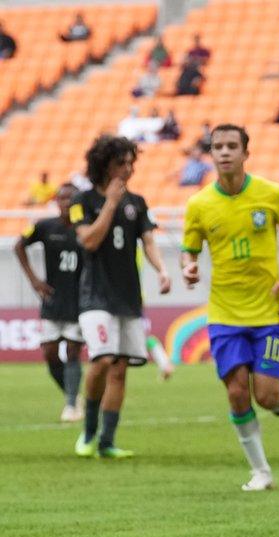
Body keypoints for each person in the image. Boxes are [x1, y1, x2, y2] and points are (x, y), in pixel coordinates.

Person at [181, 124, 279, 491]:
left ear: (246, 153)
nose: (224, 152)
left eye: (232, 146)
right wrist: (188, 265)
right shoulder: (199, 204)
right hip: (224, 314)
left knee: (265, 396)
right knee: (236, 391)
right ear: (211, 153)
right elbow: (191, 247)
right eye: (217, 146)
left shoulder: (271, 194)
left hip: (267, 313)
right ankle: (260, 471)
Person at [71, 135, 171, 459]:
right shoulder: (81, 201)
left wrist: (161, 269)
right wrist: (111, 203)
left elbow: (149, 241)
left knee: (120, 369)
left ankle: (106, 442)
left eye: (131, 163)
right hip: (95, 297)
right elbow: (88, 240)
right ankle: (87, 432)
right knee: (101, 360)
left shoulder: (138, 203)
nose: (128, 170)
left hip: (128, 297)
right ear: (104, 165)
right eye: (121, 163)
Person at [15, 183, 85, 422]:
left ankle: (71, 404)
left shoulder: (86, 229)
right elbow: (19, 245)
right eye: (63, 198)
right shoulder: (45, 226)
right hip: (53, 300)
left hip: (79, 302)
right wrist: (34, 280)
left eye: (71, 199)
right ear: (56, 202)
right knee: (50, 353)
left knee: (74, 352)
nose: (67, 203)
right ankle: (72, 394)